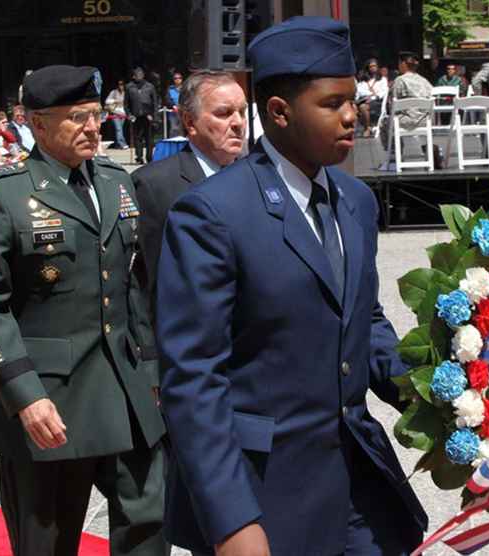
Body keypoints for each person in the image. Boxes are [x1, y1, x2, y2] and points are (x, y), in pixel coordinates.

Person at [156, 16, 427, 556]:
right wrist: (232, 521)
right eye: (331, 104)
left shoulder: (356, 202)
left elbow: (364, 323)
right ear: (279, 112)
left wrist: (443, 404)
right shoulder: (213, 215)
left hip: (361, 490)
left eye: (353, 99)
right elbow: (193, 380)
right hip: (267, 496)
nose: (353, 115)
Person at [0, 65, 167, 555]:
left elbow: (134, 287)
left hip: (127, 393)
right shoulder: (3, 194)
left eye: (97, 115)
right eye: (77, 117)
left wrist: (152, 366)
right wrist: (23, 394)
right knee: (48, 541)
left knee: (151, 522)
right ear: (37, 123)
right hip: (51, 401)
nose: (93, 127)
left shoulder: (117, 182)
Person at [132, 70, 247, 324]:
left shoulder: (260, 178)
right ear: (189, 121)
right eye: (224, 113)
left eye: (242, 111)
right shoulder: (154, 185)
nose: (238, 123)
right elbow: (147, 286)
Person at [380, 51, 434, 150]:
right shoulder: (424, 81)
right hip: (425, 120)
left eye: (399, 63)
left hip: (406, 121)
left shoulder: (400, 80)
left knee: (385, 123)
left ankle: (395, 154)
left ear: (404, 64)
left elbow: (393, 104)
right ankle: (427, 149)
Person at [125, 67, 158, 163]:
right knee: (138, 138)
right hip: (136, 117)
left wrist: (154, 116)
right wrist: (129, 115)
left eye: (140, 74)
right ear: (133, 76)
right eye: (136, 75)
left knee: (149, 139)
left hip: (148, 116)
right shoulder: (129, 87)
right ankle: (139, 157)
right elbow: (126, 104)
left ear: (143, 75)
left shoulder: (150, 86)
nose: (138, 76)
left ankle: (149, 157)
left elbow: (155, 103)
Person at [356, 58, 388, 137]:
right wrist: (369, 95)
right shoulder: (363, 80)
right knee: (353, 106)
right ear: (368, 68)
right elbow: (359, 91)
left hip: (377, 101)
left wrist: (373, 97)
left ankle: (367, 128)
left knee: (363, 107)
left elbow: (383, 92)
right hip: (364, 99)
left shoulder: (382, 79)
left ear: (377, 67)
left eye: (374, 66)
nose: (373, 68)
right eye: (371, 66)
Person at [105, 79, 129, 149]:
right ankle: (123, 144)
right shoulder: (114, 92)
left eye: (122, 84)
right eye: (119, 84)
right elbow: (107, 101)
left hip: (123, 113)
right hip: (115, 113)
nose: (121, 86)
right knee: (118, 129)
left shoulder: (126, 93)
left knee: (120, 129)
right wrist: (116, 100)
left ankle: (117, 145)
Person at [165, 71, 184, 137]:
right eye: (175, 78)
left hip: (182, 112)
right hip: (173, 112)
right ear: (173, 80)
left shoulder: (185, 89)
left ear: (181, 79)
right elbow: (167, 99)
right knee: (173, 129)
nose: (177, 79)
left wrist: (181, 107)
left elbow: (187, 98)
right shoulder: (170, 89)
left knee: (182, 128)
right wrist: (173, 106)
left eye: (179, 78)